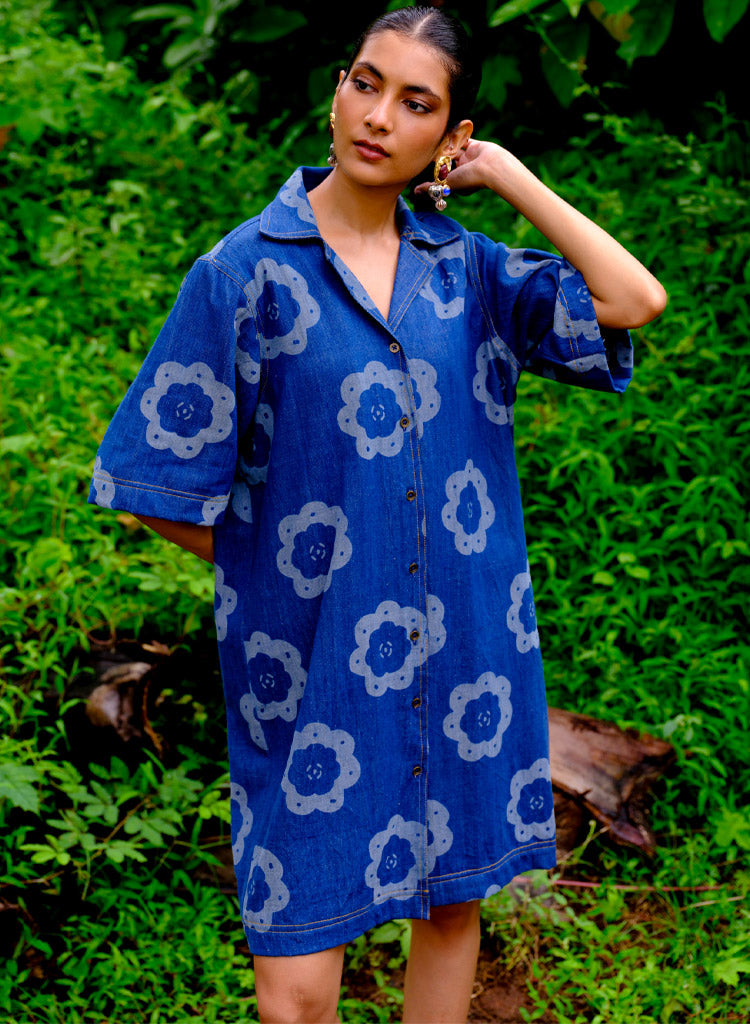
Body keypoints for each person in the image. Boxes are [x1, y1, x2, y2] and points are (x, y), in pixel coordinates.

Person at [89, 6, 666, 1022]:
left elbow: (632, 301)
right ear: (336, 92)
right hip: (312, 670)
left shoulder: (470, 273)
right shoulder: (245, 273)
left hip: (466, 660)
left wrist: (509, 177)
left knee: (450, 908)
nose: (379, 116)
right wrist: (278, 568)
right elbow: (150, 480)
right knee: (295, 991)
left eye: (416, 102)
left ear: (450, 134)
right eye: (366, 82)